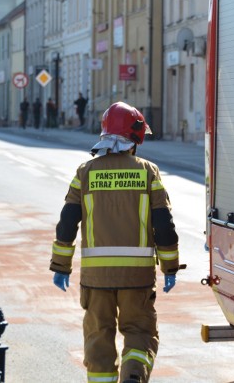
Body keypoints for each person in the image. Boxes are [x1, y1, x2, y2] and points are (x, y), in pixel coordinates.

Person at [50, 102, 180, 383]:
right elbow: (164, 226)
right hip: (138, 277)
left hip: (96, 279)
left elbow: (67, 222)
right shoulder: (148, 172)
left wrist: (61, 266)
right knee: (140, 333)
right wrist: (170, 267)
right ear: (135, 137)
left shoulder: (85, 172)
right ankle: (133, 376)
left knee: (98, 339)